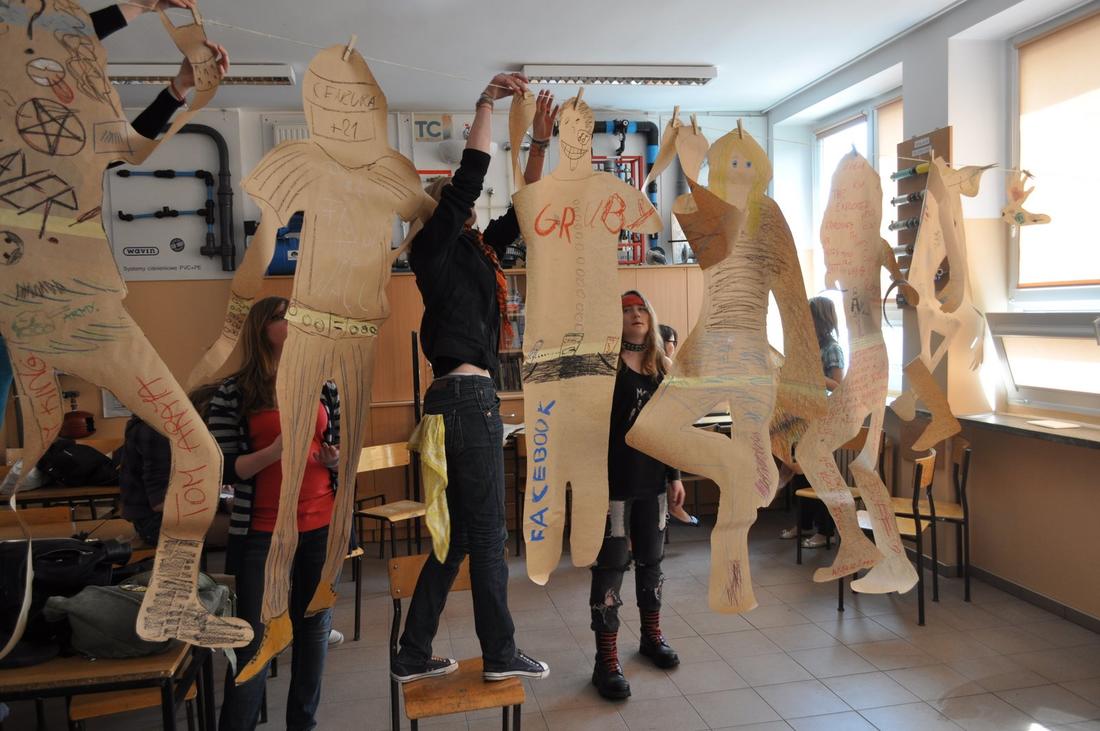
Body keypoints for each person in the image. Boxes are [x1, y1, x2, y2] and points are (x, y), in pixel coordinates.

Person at [390, 74, 556, 684]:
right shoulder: (433, 248)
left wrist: (540, 144)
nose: (467, 205)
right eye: (457, 201)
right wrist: (486, 103)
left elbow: (524, 211)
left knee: (459, 538)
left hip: (461, 400)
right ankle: (500, 654)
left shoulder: (476, 251)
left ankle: (413, 652)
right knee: (488, 537)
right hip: (467, 399)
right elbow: (472, 171)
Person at [206, 297, 339, 731]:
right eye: (284, 317)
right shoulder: (233, 392)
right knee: (256, 639)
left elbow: (333, 446)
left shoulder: (324, 385)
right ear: (262, 328)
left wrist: (334, 458)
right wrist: (276, 450)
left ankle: (303, 724)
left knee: (313, 630)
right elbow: (226, 469)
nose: (295, 323)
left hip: (321, 523)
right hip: (263, 532)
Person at [591, 291, 685, 700]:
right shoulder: (603, 368)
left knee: (652, 562)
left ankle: (651, 637)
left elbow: (669, 430)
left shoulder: (662, 368)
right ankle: (606, 661)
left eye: (640, 308)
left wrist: (675, 476)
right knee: (610, 569)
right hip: (612, 487)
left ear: (651, 315)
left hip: (653, 486)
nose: (635, 314)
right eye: (626, 310)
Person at [779, 296, 845, 548]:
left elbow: (838, 386)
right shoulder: (808, 346)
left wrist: (812, 375)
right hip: (802, 418)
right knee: (801, 474)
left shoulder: (832, 349)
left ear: (820, 320)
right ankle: (804, 524)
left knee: (818, 477)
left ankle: (825, 531)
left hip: (821, 421)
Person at [657, 324, 699, 527]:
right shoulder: (662, 364)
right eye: (672, 341)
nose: (674, 346)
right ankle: (673, 507)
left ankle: (671, 508)